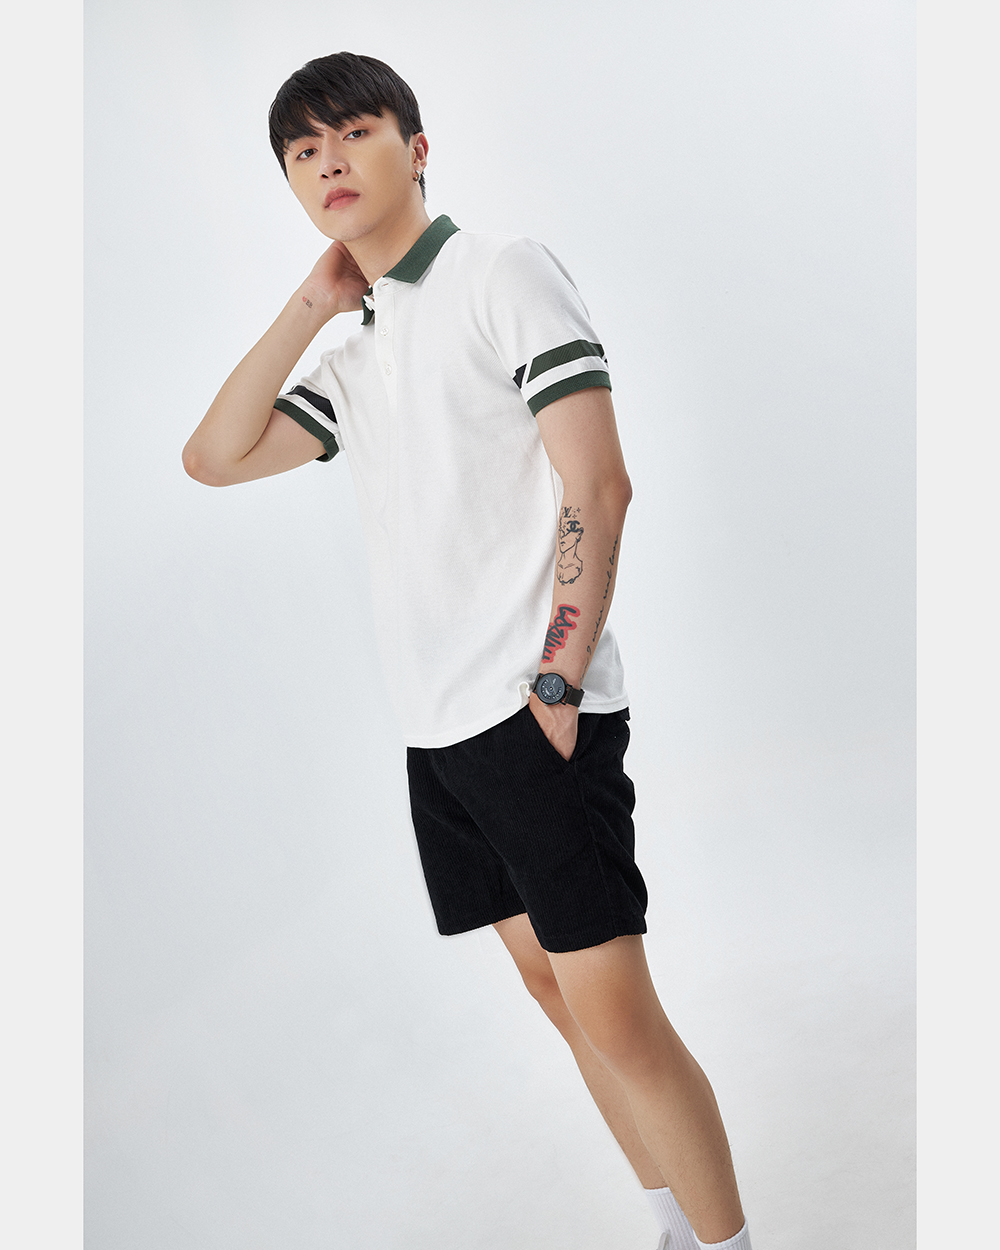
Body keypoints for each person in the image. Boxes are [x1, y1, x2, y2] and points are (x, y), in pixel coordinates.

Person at [182, 51, 753, 1250]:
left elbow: (598, 481)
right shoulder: (356, 346)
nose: (328, 161)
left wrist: (558, 677)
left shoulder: (503, 273)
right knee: (555, 995)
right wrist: (312, 303)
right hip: (437, 733)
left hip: (530, 709)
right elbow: (214, 456)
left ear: (417, 146)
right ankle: (672, 1222)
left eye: (353, 132)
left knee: (617, 1011)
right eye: (302, 151)